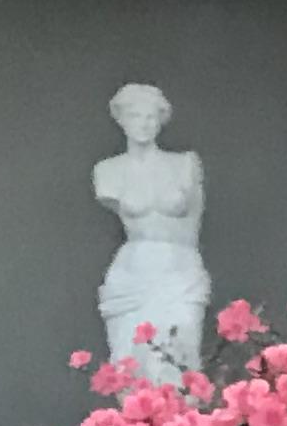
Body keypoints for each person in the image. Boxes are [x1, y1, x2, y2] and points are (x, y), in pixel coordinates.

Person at [90, 83, 210, 384]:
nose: (143, 124)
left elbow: (193, 218)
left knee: (181, 358)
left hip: (179, 267)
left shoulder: (184, 164)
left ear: (160, 121)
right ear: (121, 120)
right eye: (135, 116)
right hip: (134, 269)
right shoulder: (108, 171)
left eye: (150, 117)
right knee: (131, 363)